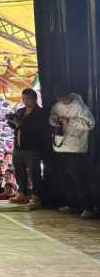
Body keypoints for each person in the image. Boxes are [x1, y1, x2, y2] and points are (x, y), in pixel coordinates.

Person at [50, 89, 96, 218]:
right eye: (59, 98)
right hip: (60, 146)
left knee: (79, 179)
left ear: (69, 95)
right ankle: (72, 205)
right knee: (65, 179)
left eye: (64, 98)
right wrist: (57, 120)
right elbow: (51, 120)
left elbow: (90, 124)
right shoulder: (56, 106)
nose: (62, 101)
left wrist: (70, 121)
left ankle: (87, 207)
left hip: (76, 148)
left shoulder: (80, 106)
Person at [6, 88, 47, 207]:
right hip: (18, 147)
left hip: (32, 148)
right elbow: (15, 126)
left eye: (28, 99)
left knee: (34, 173)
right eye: (23, 99)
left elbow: (37, 131)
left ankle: (36, 196)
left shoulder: (40, 113)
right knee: (19, 171)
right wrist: (11, 120)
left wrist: (20, 125)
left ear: (35, 99)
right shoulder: (20, 111)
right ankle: (22, 194)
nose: (25, 101)